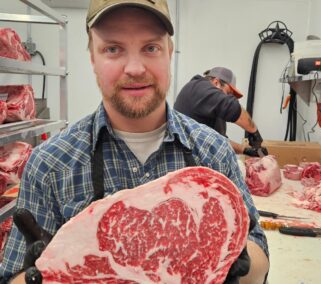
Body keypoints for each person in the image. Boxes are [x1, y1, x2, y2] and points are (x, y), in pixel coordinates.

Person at [0, 0, 269, 283]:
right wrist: (56, 273)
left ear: (169, 53)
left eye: (150, 47)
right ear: (93, 59)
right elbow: (14, 276)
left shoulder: (213, 151)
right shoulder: (49, 163)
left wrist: (233, 260)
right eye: (113, 49)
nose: (135, 68)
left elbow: (260, 255)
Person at [174, 67, 268, 157]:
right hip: (185, 161)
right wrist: (255, 133)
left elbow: (221, 140)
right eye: (229, 93)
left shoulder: (210, 106)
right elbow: (233, 107)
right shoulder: (198, 87)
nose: (229, 97)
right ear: (216, 83)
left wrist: (245, 150)